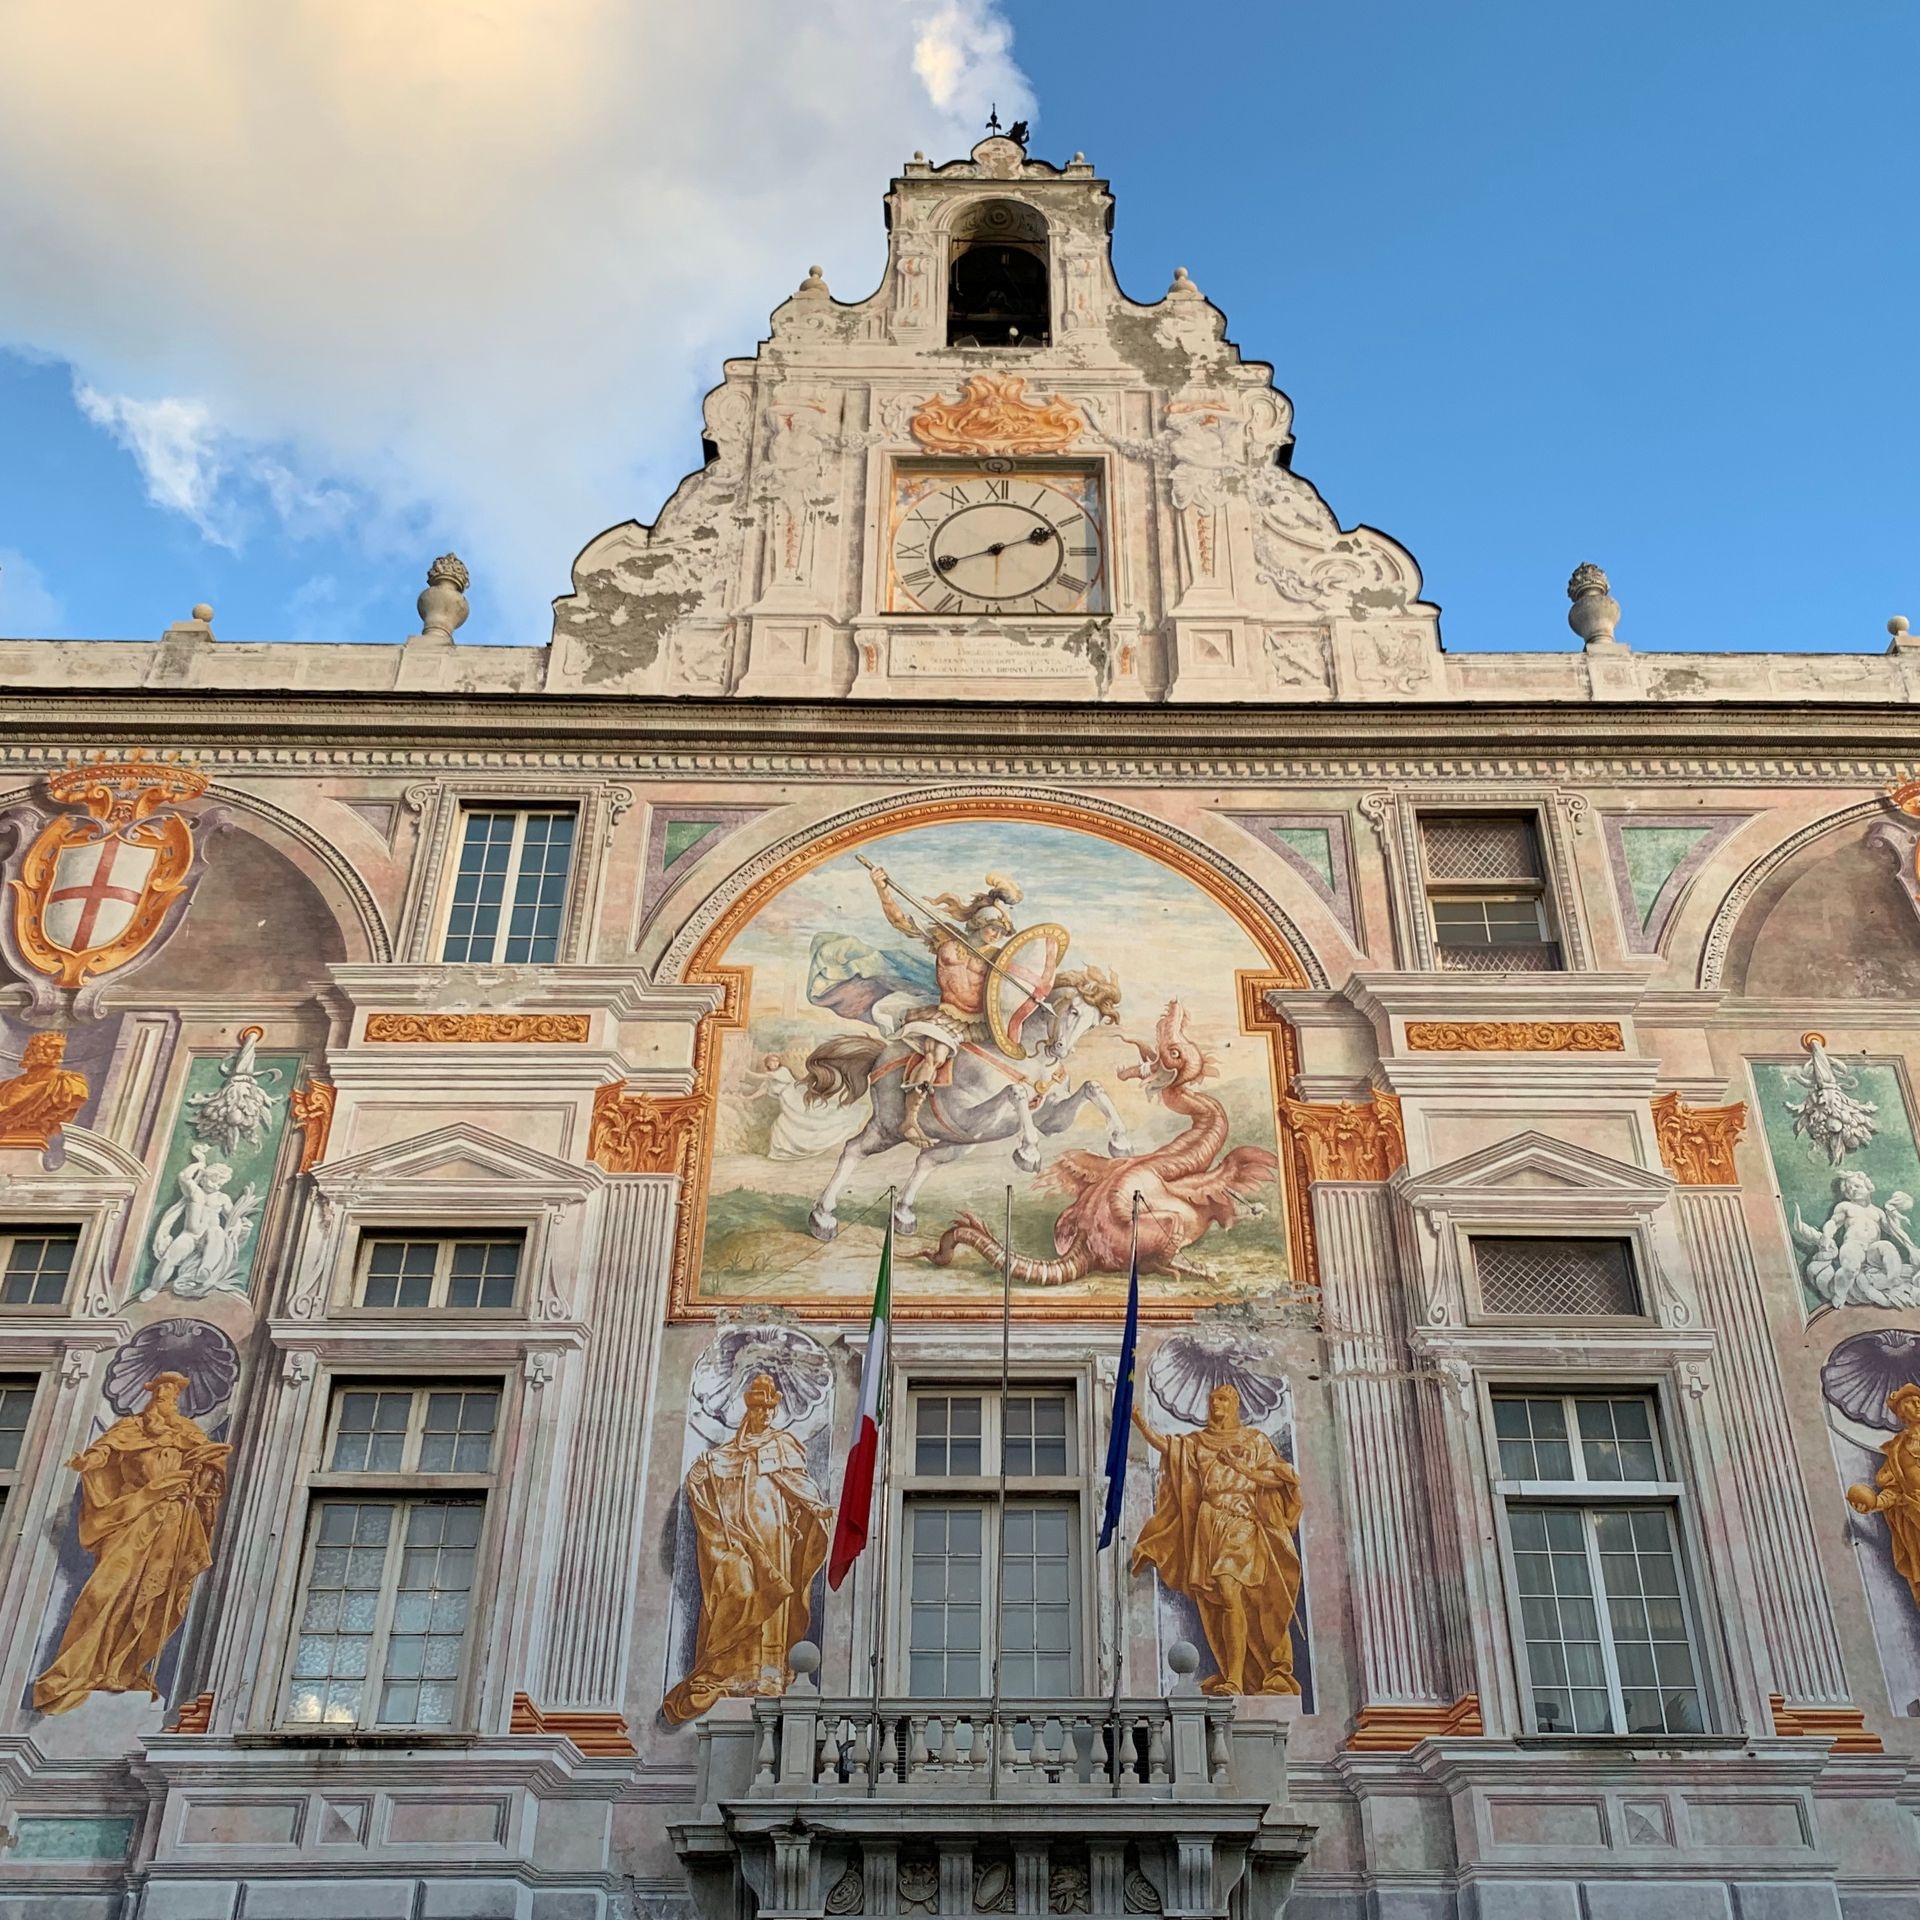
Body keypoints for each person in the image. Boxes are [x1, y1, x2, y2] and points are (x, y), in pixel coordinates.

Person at [33, 1372, 231, 1716]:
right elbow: (103, 1453)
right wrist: (87, 1461)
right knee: (106, 1591)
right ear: (150, 1395)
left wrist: (205, 1473)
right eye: (160, 1391)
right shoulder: (130, 1428)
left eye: (172, 1392)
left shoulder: (187, 1433)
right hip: (130, 1517)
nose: (165, 1397)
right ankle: (80, 1669)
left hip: (170, 1520)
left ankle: (122, 1669)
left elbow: (210, 1473)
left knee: (151, 1597)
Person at [662, 1373, 831, 1724]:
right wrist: (701, 1473)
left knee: (772, 1599)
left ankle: (768, 1671)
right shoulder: (727, 1453)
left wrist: (816, 1508)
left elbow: (799, 1485)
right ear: (749, 1410)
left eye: (770, 1410)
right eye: (759, 1409)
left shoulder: (784, 1445)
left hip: (775, 1536)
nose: (765, 1416)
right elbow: (711, 1475)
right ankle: (729, 1670)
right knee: (738, 1589)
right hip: (739, 1537)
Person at [1131, 1384, 1303, 1695]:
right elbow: (1170, 1448)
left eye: (1222, 1400)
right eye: (1212, 1400)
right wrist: (1142, 1425)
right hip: (1210, 1522)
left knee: (1228, 1586)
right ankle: (1234, 1674)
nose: (1215, 1406)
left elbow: (1278, 1478)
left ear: (1235, 1403)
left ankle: (1239, 1678)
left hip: (1242, 1520)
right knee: (1223, 1601)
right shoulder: (1199, 1442)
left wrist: (1244, 1471)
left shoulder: (1254, 1441)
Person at [866, 865, 1023, 1148]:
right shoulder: (945, 942)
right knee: (935, 1054)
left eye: (1002, 931)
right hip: (946, 1015)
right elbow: (902, 923)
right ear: (977, 924)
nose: (997, 934)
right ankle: (910, 1119)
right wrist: (882, 889)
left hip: (980, 1023)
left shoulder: (1000, 958)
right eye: (993, 928)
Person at [1848, 1380, 1920, 1611]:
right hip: (1915, 1516)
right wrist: (1874, 1504)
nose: (1918, 1405)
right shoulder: (1897, 1450)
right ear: (1900, 1412)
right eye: (1910, 1402)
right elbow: (1895, 1490)